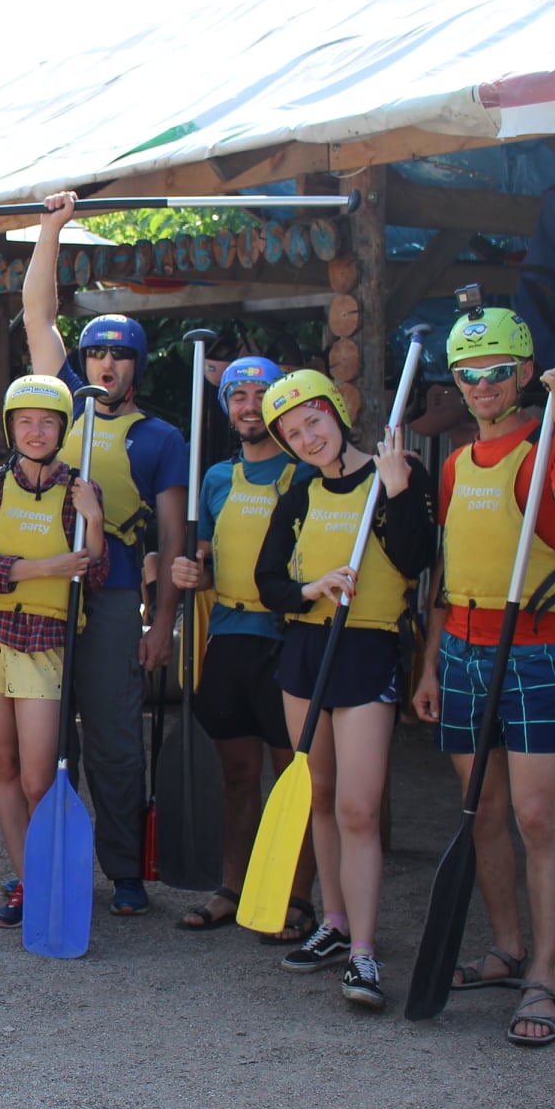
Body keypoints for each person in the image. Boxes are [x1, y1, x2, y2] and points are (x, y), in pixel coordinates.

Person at [413, 306, 555, 1047]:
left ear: (523, 372)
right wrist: (429, 664)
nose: (482, 385)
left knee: (534, 816)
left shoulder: (551, 443)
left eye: (496, 371)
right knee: (482, 810)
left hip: (531, 652)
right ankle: (506, 948)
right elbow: (448, 573)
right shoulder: (456, 462)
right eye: (468, 374)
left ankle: (543, 977)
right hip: (462, 648)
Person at [24, 193, 189, 915]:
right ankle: (44, 867)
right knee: (46, 740)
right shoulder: (64, 402)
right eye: (97, 352)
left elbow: (174, 538)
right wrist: (50, 230)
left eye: (120, 355)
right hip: (44, 589)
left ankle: (124, 871)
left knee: (116, 741)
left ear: (137, 367)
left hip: (116, 594)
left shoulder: (161, 438)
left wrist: (163, 624)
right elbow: (37, 314)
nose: (107, 363)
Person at [254, 370, 433, 1010]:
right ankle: (333, 923)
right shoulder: (299, 493)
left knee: (358, 808)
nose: (308, 438)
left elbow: (415, 560)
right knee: (320, 797)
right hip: (306, 651)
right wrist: (311, 588)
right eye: (293, 433)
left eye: (314, 422)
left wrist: (399, 492)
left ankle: (363, 952)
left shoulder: (395, 472)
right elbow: (268, 582)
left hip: (366, 650)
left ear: (337, 414)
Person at [167, 357, 320, 940]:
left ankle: (295, 898)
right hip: (230, 639)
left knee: (293, 779)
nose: (250, 406)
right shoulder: (215, 479)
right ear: (226, 407)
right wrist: (190, 572)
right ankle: (234, 887)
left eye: (261, 395)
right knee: (236, 774)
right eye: (239, 396)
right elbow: (209, 561)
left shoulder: (305, 473)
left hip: (287, 639)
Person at [0, 374, 107, 928]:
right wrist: (47, 567)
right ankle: (31, 882)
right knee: (3, 764)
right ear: (11, 427)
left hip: (45, 642)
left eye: (47, 422)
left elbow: (95, 574)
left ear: (62, 430)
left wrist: (94, 520)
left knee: (38, 779)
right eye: (26, 422)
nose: (36, 432)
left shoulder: (82, 490)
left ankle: (50, 874)